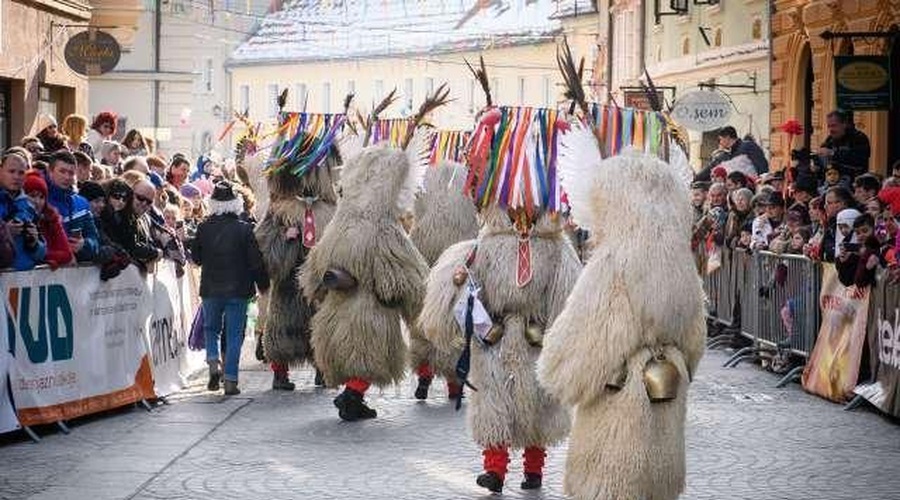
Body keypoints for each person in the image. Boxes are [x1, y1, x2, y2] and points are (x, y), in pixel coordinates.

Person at [191, 181, 269, 396]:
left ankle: (213, 360)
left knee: (211, 329)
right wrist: (263, 284)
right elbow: (256, 262)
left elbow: (196, 258)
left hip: (210, 288)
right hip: (238, 290)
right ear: (237, 203)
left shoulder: (203, 227)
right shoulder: (245, 229)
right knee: (235, 335)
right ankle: (231, 380)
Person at [45, 151, 100, 262]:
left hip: (75, 274)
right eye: (62, 171)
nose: (67, 177)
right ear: (50, 172)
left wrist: (84, 244)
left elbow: (94, 240)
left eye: (71, 173)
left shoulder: (82, 203)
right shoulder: (40, 200)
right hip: (45, 273)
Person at [0, 151, 45, 270]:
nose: (16, 177)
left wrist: (34, 244)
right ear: (0, 171)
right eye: (11, 171)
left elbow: (42, 253)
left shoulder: (29, 207)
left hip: (25, 281)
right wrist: (5, 233)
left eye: (21, 173)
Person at [23, 171, 73, 269]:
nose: (37, 201)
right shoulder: (18, 219)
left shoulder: (51, 217)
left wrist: (43, 257)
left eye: (41, 197)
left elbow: (67, 254)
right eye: (32, 196)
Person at [817, 109, 870, 182]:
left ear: (844, 124)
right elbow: (822, 159)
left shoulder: (859, 138)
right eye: (829, 126)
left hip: (854, 183)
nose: (831, 129)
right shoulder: (830, 140)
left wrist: (833, 153)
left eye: (834, 125)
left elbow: (859, 159)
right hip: (832, 183)